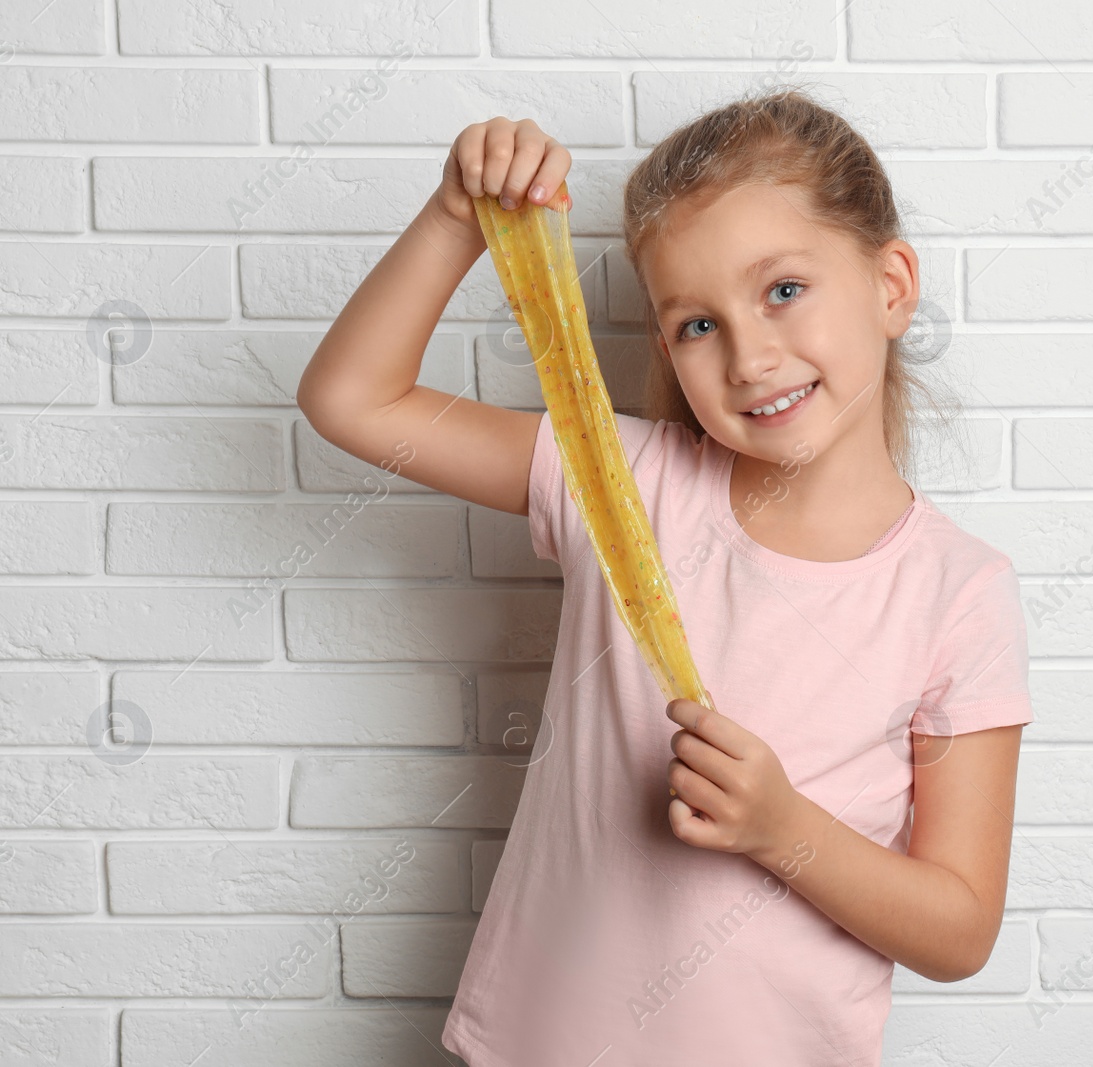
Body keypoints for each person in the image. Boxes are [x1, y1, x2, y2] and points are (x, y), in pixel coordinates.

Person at [297, 86, 1035, 1067]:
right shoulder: (621, 481)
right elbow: (354, 399)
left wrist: (782, 828)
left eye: (782, 289)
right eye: (696, 324)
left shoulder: (959, 591)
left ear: (891, 284)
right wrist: (453, 217)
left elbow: (959, 928)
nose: (748, 355)